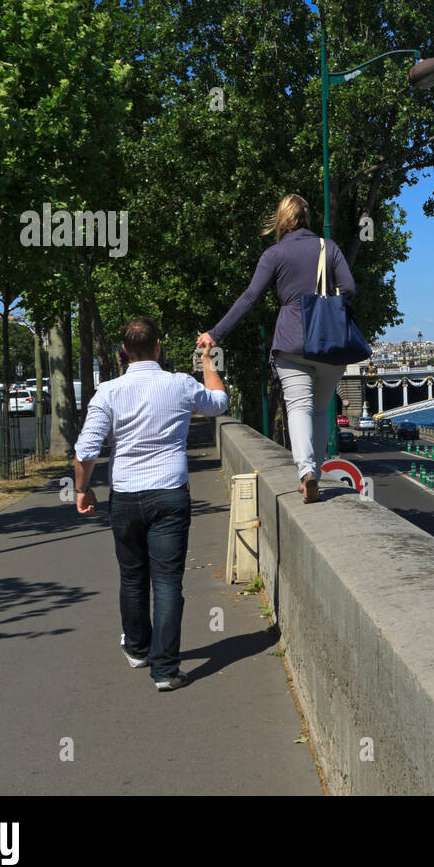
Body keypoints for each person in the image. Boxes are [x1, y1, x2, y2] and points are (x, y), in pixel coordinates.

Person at [74, 317, 228, 692]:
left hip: (126, 495)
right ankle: (165, 670)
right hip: (170, 492)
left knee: (132, 576)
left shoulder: (108, 391)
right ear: (158, 346)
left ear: (122, 352)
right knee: (167, 581)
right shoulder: (179, 383)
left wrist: (83, 489)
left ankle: (138, 648)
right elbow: (219, 404)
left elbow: (86, 449)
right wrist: (207, 362)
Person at [197, 193, 355, 503]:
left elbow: (250, 297)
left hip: (292, 341)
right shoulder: (329, 247)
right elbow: (348, 289)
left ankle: (306, 472)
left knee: (298, 407)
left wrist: (216, 334)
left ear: (281, 220)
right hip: (330, 343)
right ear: (307, 218)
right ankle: (316, 474)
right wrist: (323, 299)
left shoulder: (275, 254)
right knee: (321, 410)